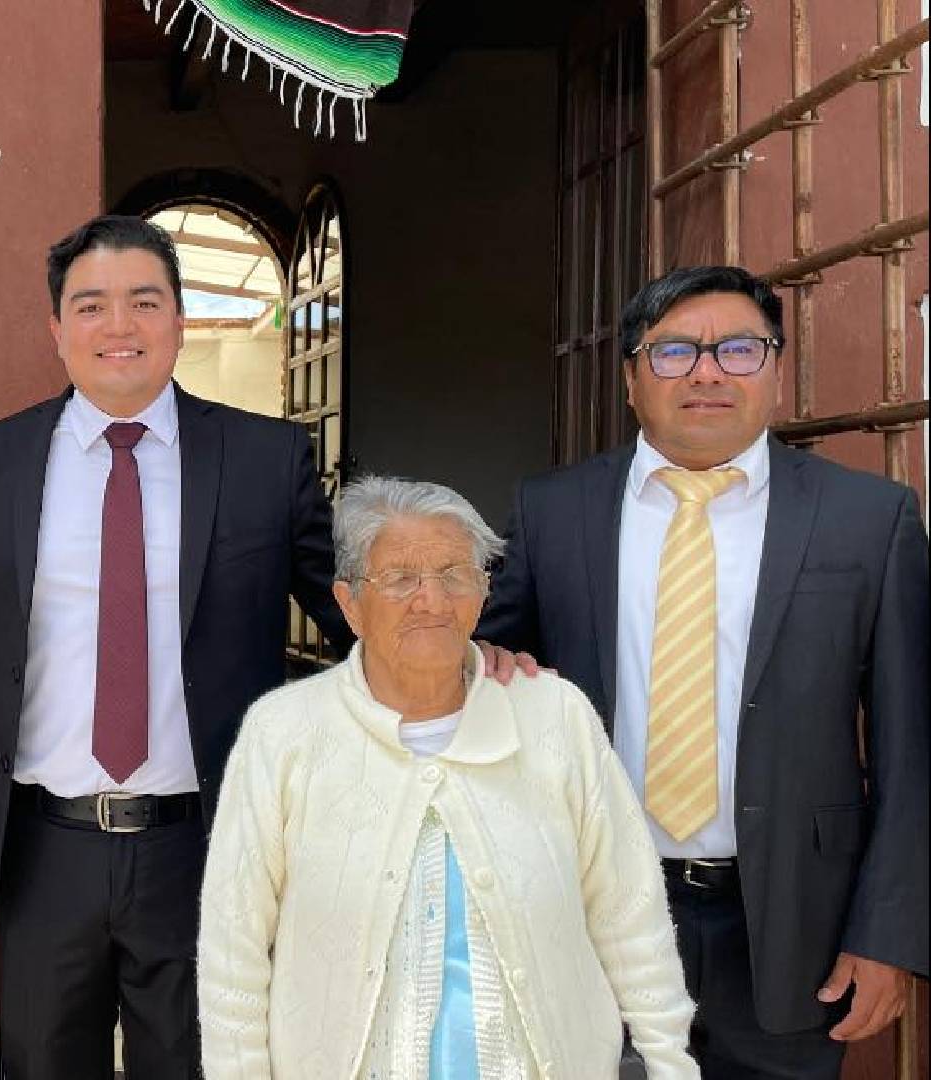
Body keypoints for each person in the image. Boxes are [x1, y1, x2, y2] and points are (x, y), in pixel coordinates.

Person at [0, 214, 351, 1078]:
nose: (120, 327)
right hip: (45, 848)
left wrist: (479, 658)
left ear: (179, 320)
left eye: (144, 302)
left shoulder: (265, 458)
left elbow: (350, 612)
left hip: (206, 843)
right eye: (92, 306)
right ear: (57, 329)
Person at [478, 265, 929, 1075]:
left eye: (739, 350)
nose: (709, 371)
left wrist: (888, 934)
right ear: (631, 377)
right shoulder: (555, 511)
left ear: (778, 372)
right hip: (595, 912)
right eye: (675, 351)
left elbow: (912, 748)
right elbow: (480, 676)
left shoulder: (869, 518)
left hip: (797, 926)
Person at [198, 476, 696, 1079]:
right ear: (349, 603)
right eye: (401, 578)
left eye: (455, 574)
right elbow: (234, 952)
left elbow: (629, 911)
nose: (431, 600)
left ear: (484, 594)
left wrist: (670, 1060)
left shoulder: (555, 716)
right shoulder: (282, 733)